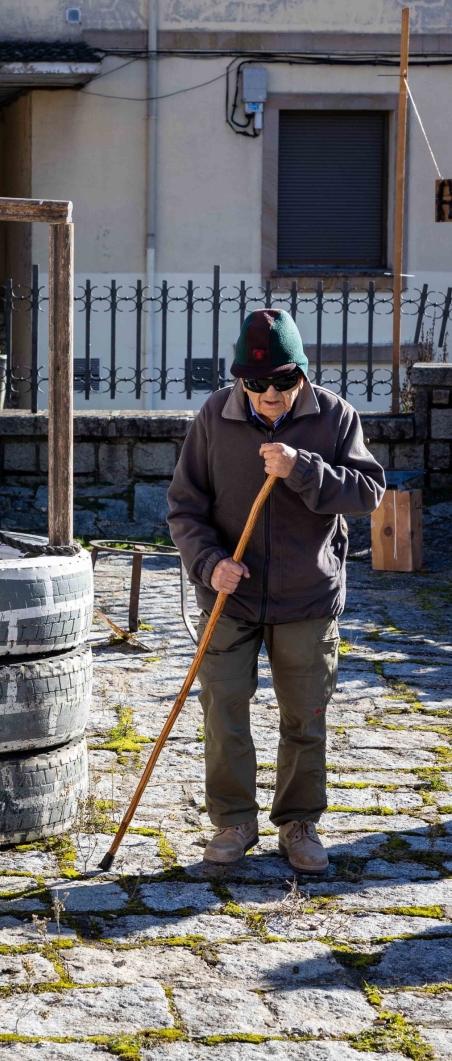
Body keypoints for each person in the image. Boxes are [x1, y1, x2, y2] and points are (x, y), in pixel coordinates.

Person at [167, 308, 385, 873]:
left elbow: (368, 493)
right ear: (240, 378)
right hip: (230, 597)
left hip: (306, 597)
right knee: (224, 712)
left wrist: (303, 468)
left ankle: (298, 821)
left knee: (305, 715)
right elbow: (185, 507)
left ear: (301, 374)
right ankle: (234, 822)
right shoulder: (214, 416)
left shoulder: (334, 416)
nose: (269, 393)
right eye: (256, 382)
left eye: (283, 380)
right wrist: (209, 563)